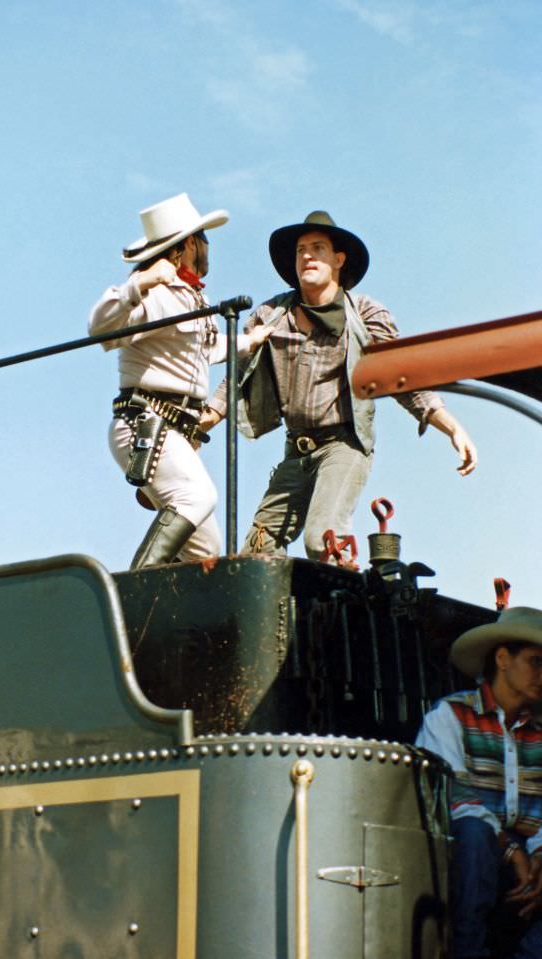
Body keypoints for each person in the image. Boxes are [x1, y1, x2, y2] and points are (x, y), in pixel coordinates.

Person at [200, 210, 477, 561]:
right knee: (256, 550)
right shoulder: (271, 316)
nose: (307, 256)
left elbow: (402, 378)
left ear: (338, 260)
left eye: (318, 248)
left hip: (342, 445)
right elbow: (239, 374)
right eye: (301, 250)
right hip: (296, 450)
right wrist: (206, 420)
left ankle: (347, 606)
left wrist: (450, 427)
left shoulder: (364, 315)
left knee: (322, 538)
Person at [88, 193, 270, 568]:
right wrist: (139, 283)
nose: (207, 248)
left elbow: (203, 349)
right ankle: (134, 591)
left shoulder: (191, 298)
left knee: (206, 547)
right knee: (196, 498)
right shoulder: (156, 293)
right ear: (189, 244)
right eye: (203, 239)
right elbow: (102, 331)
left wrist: (248, 342)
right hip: (145, 422)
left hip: (175, 430)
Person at [417, 607, 542, 959]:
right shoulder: (450, 715)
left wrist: (539, 853)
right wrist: (511, 850)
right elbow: (451, 793)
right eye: (536, 662)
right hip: (470, 854)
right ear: (503, 658)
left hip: (527, 855)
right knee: (473, 830)